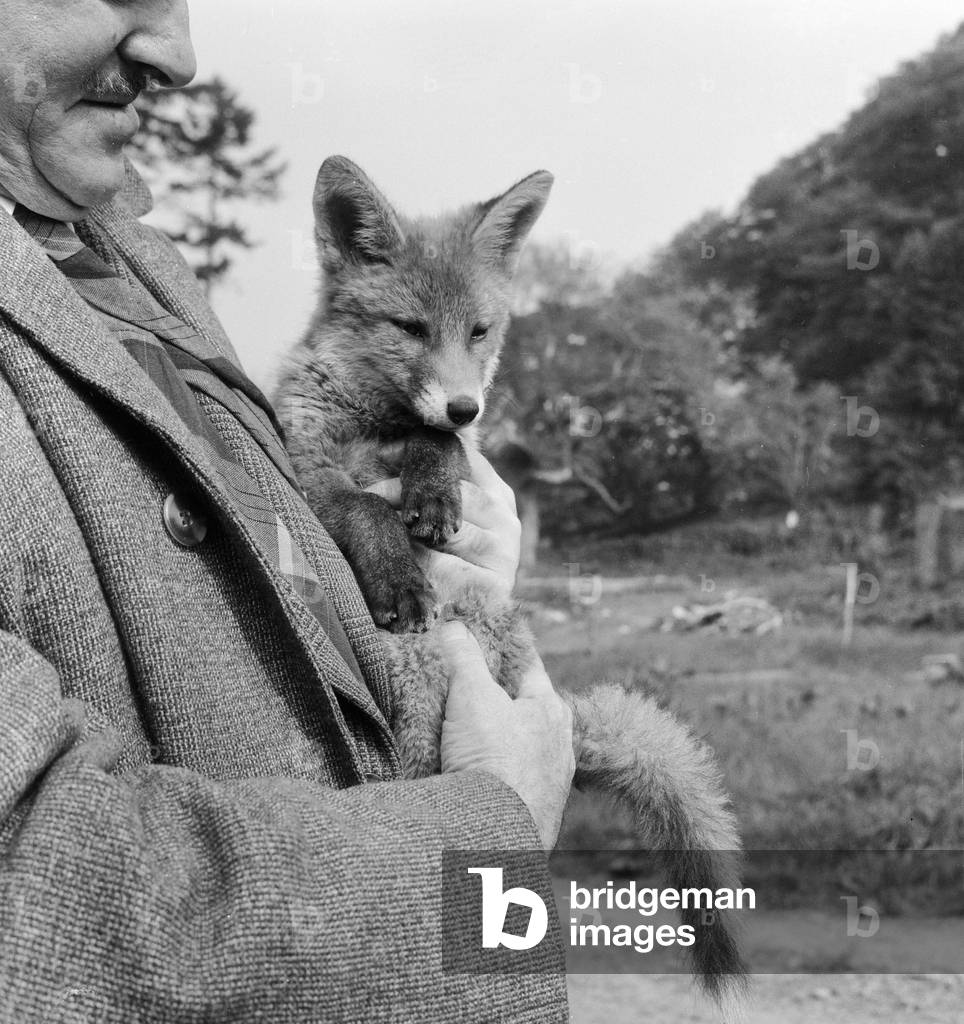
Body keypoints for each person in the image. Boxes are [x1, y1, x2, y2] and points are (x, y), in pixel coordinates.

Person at [0, 2, 574, 1021]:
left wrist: (443, 598)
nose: (176, 56)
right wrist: (483, 839)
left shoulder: (133, 261)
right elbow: (36, 885)